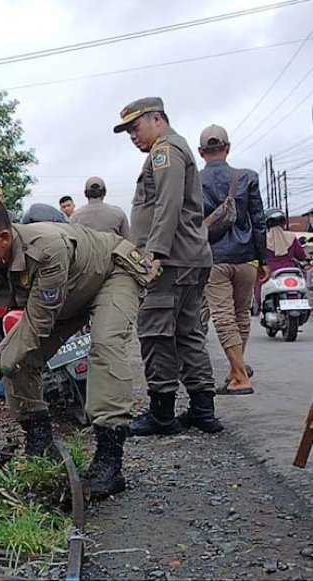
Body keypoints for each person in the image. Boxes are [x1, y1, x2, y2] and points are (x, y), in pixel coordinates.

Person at [0, 194, 156, 499]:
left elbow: (35, 327)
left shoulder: (47, 249)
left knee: (106, 345)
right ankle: (40, 446)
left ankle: (109, 462)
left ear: (4, 238)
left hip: (111, 274)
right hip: (66, 297)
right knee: (17, 360)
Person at [113, 96, 222, 436]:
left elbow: (168, 204)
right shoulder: (174, 149)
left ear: (157, 119)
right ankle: (203, 410)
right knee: (189, 334)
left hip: (171, 260)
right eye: (128, 131)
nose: (133, 135)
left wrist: (154, 253)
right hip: (189, 257)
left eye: (136, 126)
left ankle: (162, 415)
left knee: (155, 332)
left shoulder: (165, 151)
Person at [198, 124, 269, 396]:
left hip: (214, 258)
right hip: (247, 259)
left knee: (224, 317)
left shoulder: (195, 182)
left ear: (201, 151)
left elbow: (191, 223)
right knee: (241, 316)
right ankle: (235, 370)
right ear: (228, 147)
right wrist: (263, 260)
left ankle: (240, 376)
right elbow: (258, 221)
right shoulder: (247, 177)